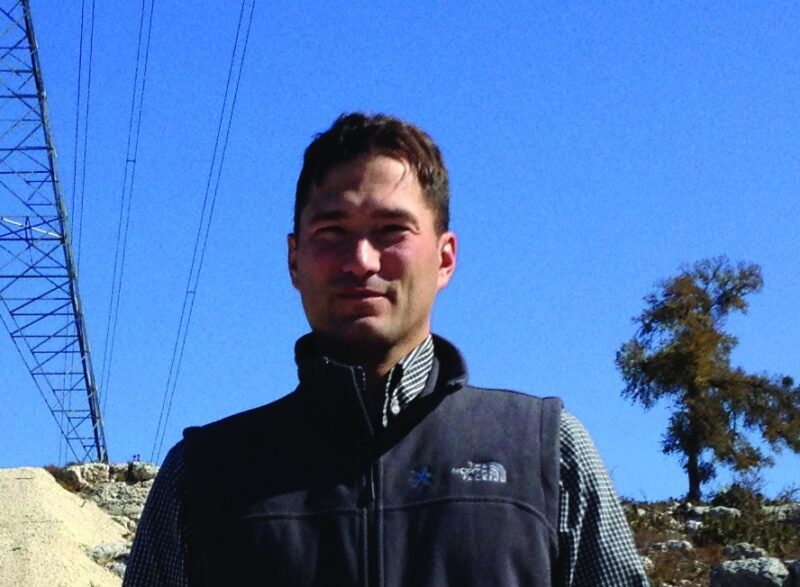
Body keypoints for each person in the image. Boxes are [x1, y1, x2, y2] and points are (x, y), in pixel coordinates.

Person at [124, 113, 649, 586]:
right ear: (294, 260)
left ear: (445, 258)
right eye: (332, 231)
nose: (360, 260)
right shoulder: (202, 478)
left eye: (391, 231)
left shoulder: (546, 455)